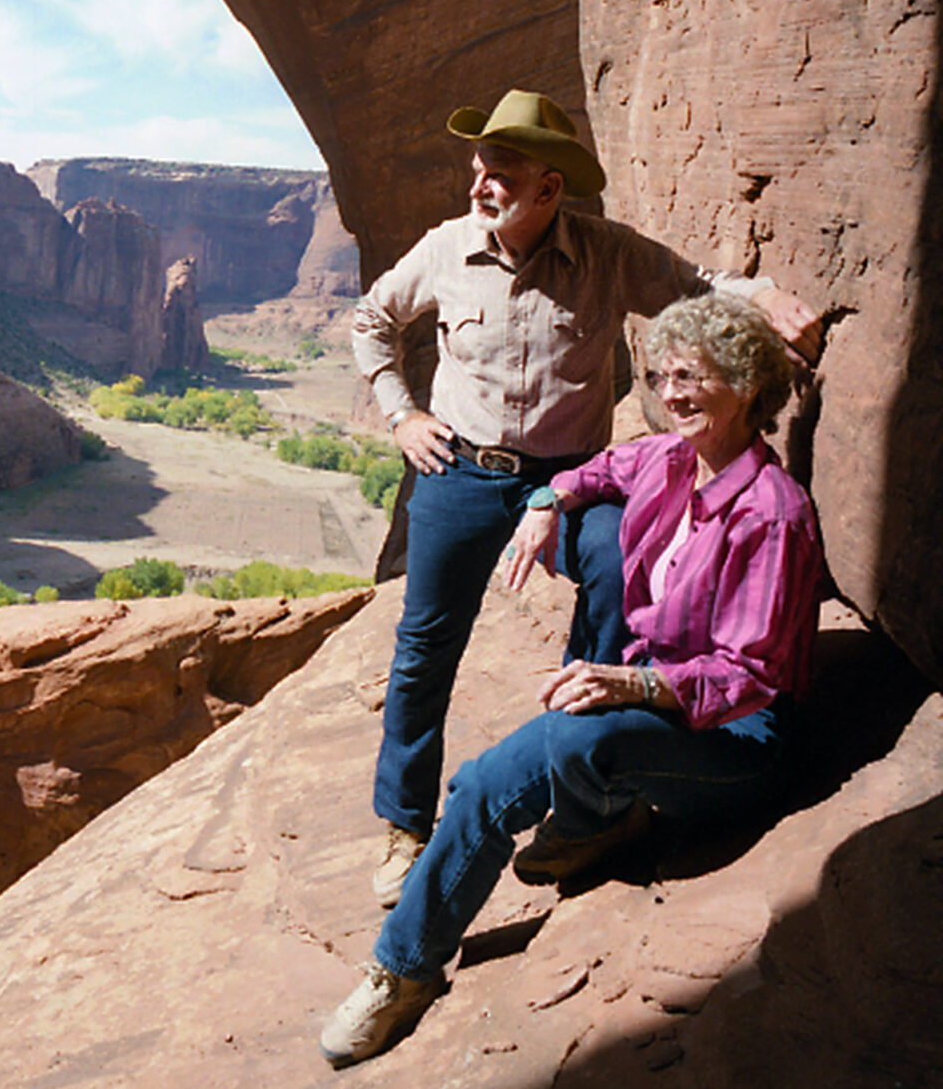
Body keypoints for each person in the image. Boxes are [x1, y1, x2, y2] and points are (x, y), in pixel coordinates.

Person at [320, 294, 825, 1066]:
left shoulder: (773, 514)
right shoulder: (668, 460)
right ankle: (400, 970)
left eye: (692, 376)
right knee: (488, 782)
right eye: (662, 375)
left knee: (583, 726)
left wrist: (632, 686)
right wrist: (548, 500)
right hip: (651, 702)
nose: (671, 391)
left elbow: (749, 675)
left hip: (736, 739)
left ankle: (596, 821)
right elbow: (602, 467)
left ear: (746, 383)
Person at [351, 89, 822, 909]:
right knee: (426, 646)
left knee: (614, 562)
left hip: (568, 480)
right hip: (461, 471)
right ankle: (403, 825)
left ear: (548, 189)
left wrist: (766, 296)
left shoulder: (607, 253)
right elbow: (371, 321)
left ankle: (587, 779)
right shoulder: (444, 248)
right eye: (477, 168)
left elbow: (700, 288)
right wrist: (404, 415)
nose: (478, 186)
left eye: (499, 173)